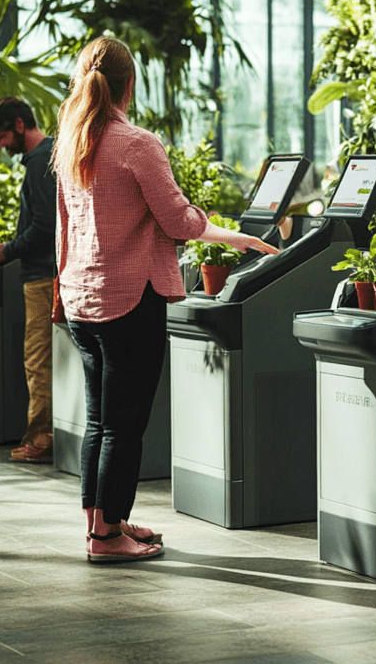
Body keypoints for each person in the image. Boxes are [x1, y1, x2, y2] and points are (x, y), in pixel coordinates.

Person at [54, 36, 279, 563]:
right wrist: (236, 237)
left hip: (81, 296)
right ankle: (107, 539)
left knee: (99, 419)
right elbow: (179, 220)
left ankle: (101, 523)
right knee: (124, 423)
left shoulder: (72, 142)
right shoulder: (135, 143)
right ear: (130, 85)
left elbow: (64, 228)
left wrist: (63, 290)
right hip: (130, 298)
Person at [0, 97, 57, 464]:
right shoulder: (46, 157)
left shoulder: (42, 160)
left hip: (43, 277)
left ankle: (41, 440)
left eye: (2, 134)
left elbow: (44, 227)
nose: (0, 144)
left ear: (19, 125)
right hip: (47, 274)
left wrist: (5, 251)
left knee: (38, 359)